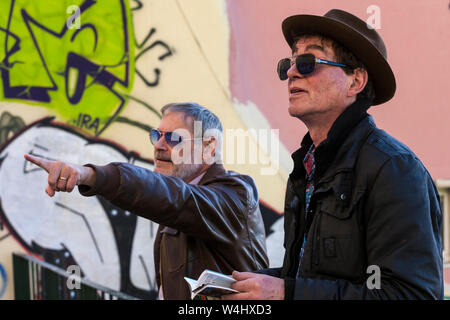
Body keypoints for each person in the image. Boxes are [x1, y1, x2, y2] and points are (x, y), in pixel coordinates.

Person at [223, 9, 443, 300]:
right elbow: (309, 277)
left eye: (308, 61)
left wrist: (285, 292)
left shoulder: (394, 169)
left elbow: (411, 295)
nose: (291, 72)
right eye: (288, 63)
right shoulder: (307, 166)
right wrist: (252, 284)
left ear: (355, 82)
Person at [24, 102, 269, 300]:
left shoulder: (235, 194)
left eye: (173, 138)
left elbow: (175, 197)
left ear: (209, 146)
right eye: (157, 135)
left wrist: (90, 175)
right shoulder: (178, 194)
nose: (159, 146)